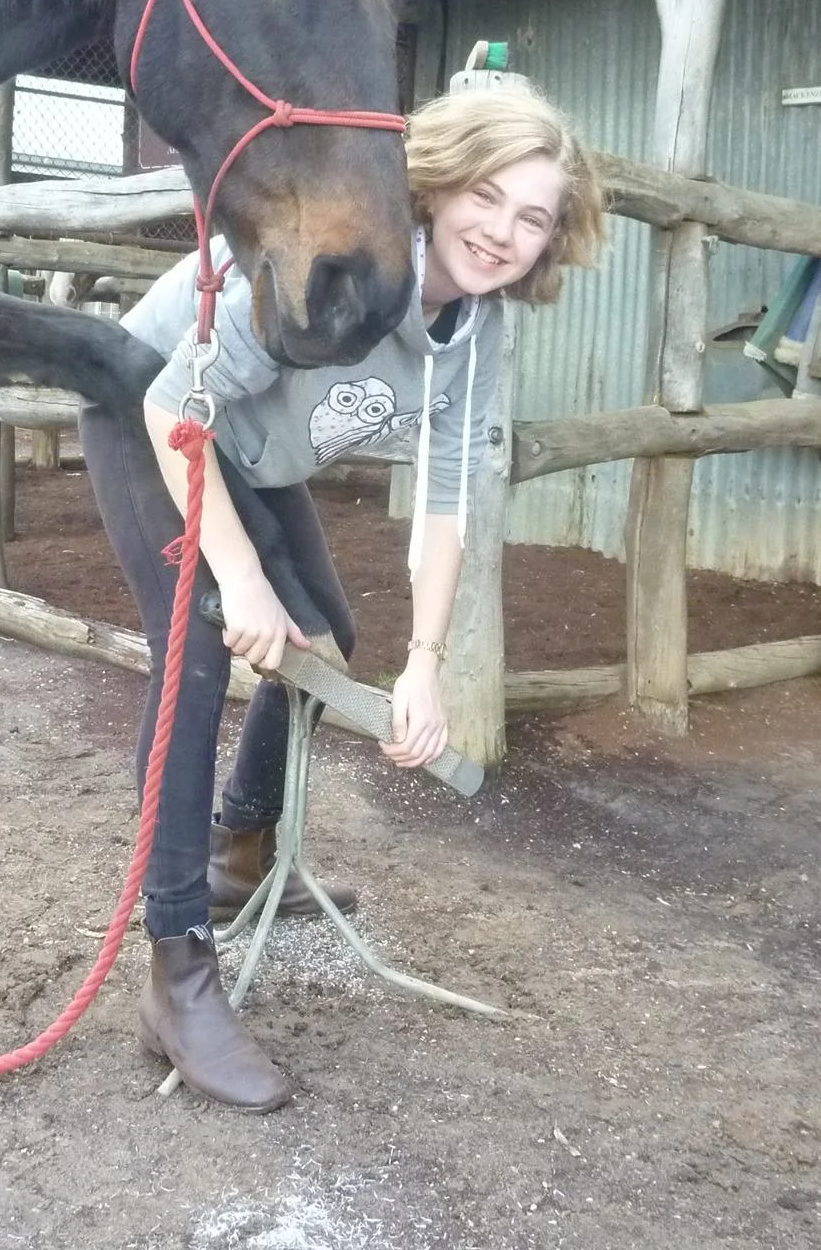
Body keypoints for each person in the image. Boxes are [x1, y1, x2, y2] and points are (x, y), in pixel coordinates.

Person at [79, 81, 605, 1112]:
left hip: (249, 453)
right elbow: (171, 404)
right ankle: (177, 972)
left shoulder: (480, 328)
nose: (501, 232)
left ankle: (241, 848)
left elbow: (448, 498)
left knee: (330, 643)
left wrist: (426, 665)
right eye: (486, 198)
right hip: (156, 414)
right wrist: (235, 578)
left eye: (531, 217)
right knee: (195, 656)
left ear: (552, 239)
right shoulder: (343, 258)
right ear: (442, 182)